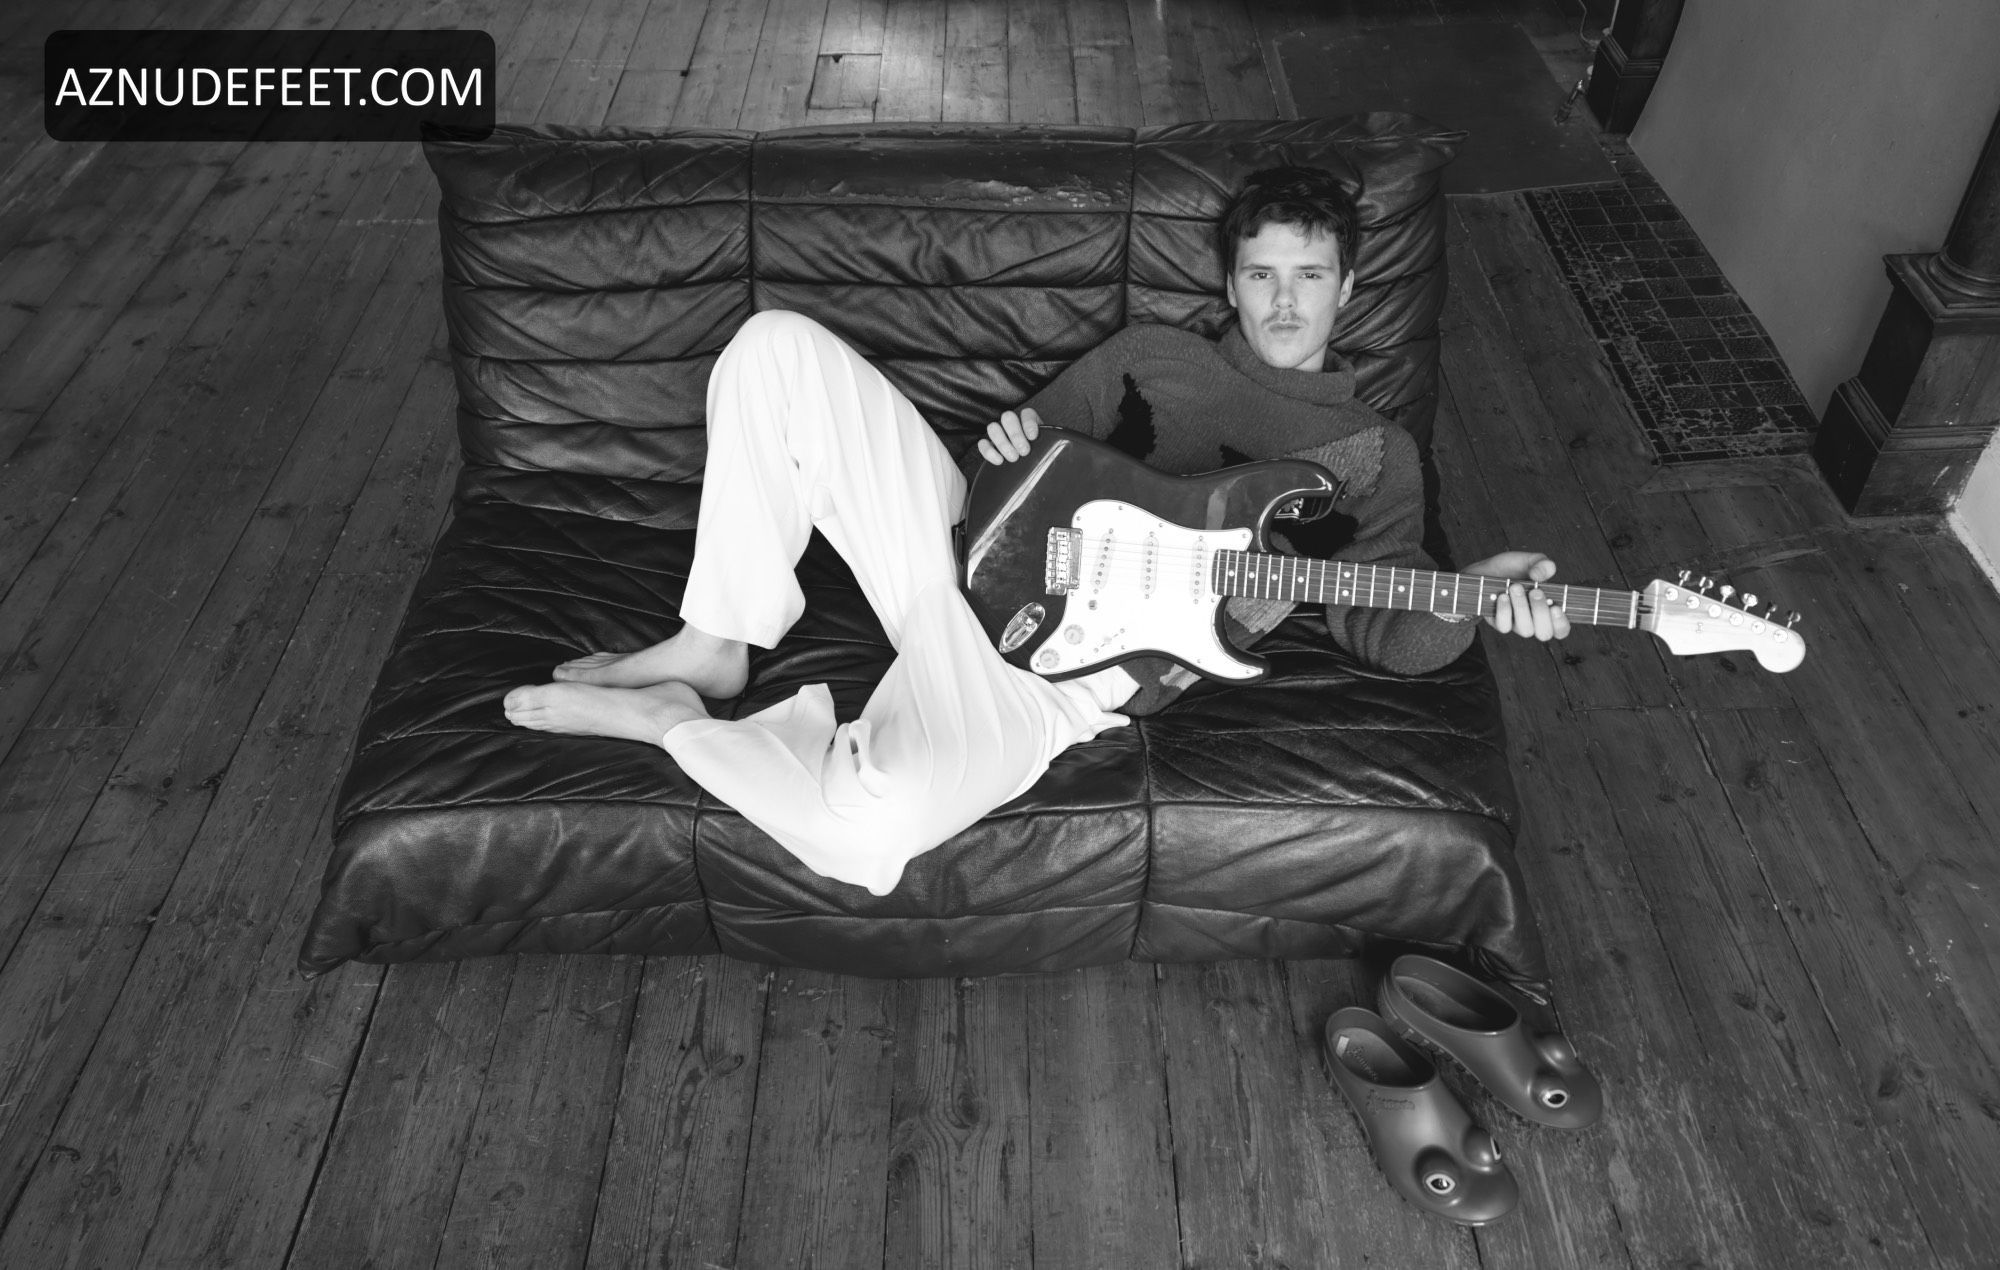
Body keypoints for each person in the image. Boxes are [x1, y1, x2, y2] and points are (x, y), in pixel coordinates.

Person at [502, 166, 1570, 896]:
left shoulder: (1372, 453)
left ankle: (672, 726)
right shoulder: (1153, 355)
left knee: (868, 829)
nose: (1284, 304)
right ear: (1229, 283)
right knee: (773, 345)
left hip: (1057, 678)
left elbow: (1389, 633)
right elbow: (1016, 455)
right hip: (961, 555)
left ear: (1348, 286)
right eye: (1261, 275)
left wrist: (1475, 593)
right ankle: (715, 644)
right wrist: (1010, 444)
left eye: (1308, 277)